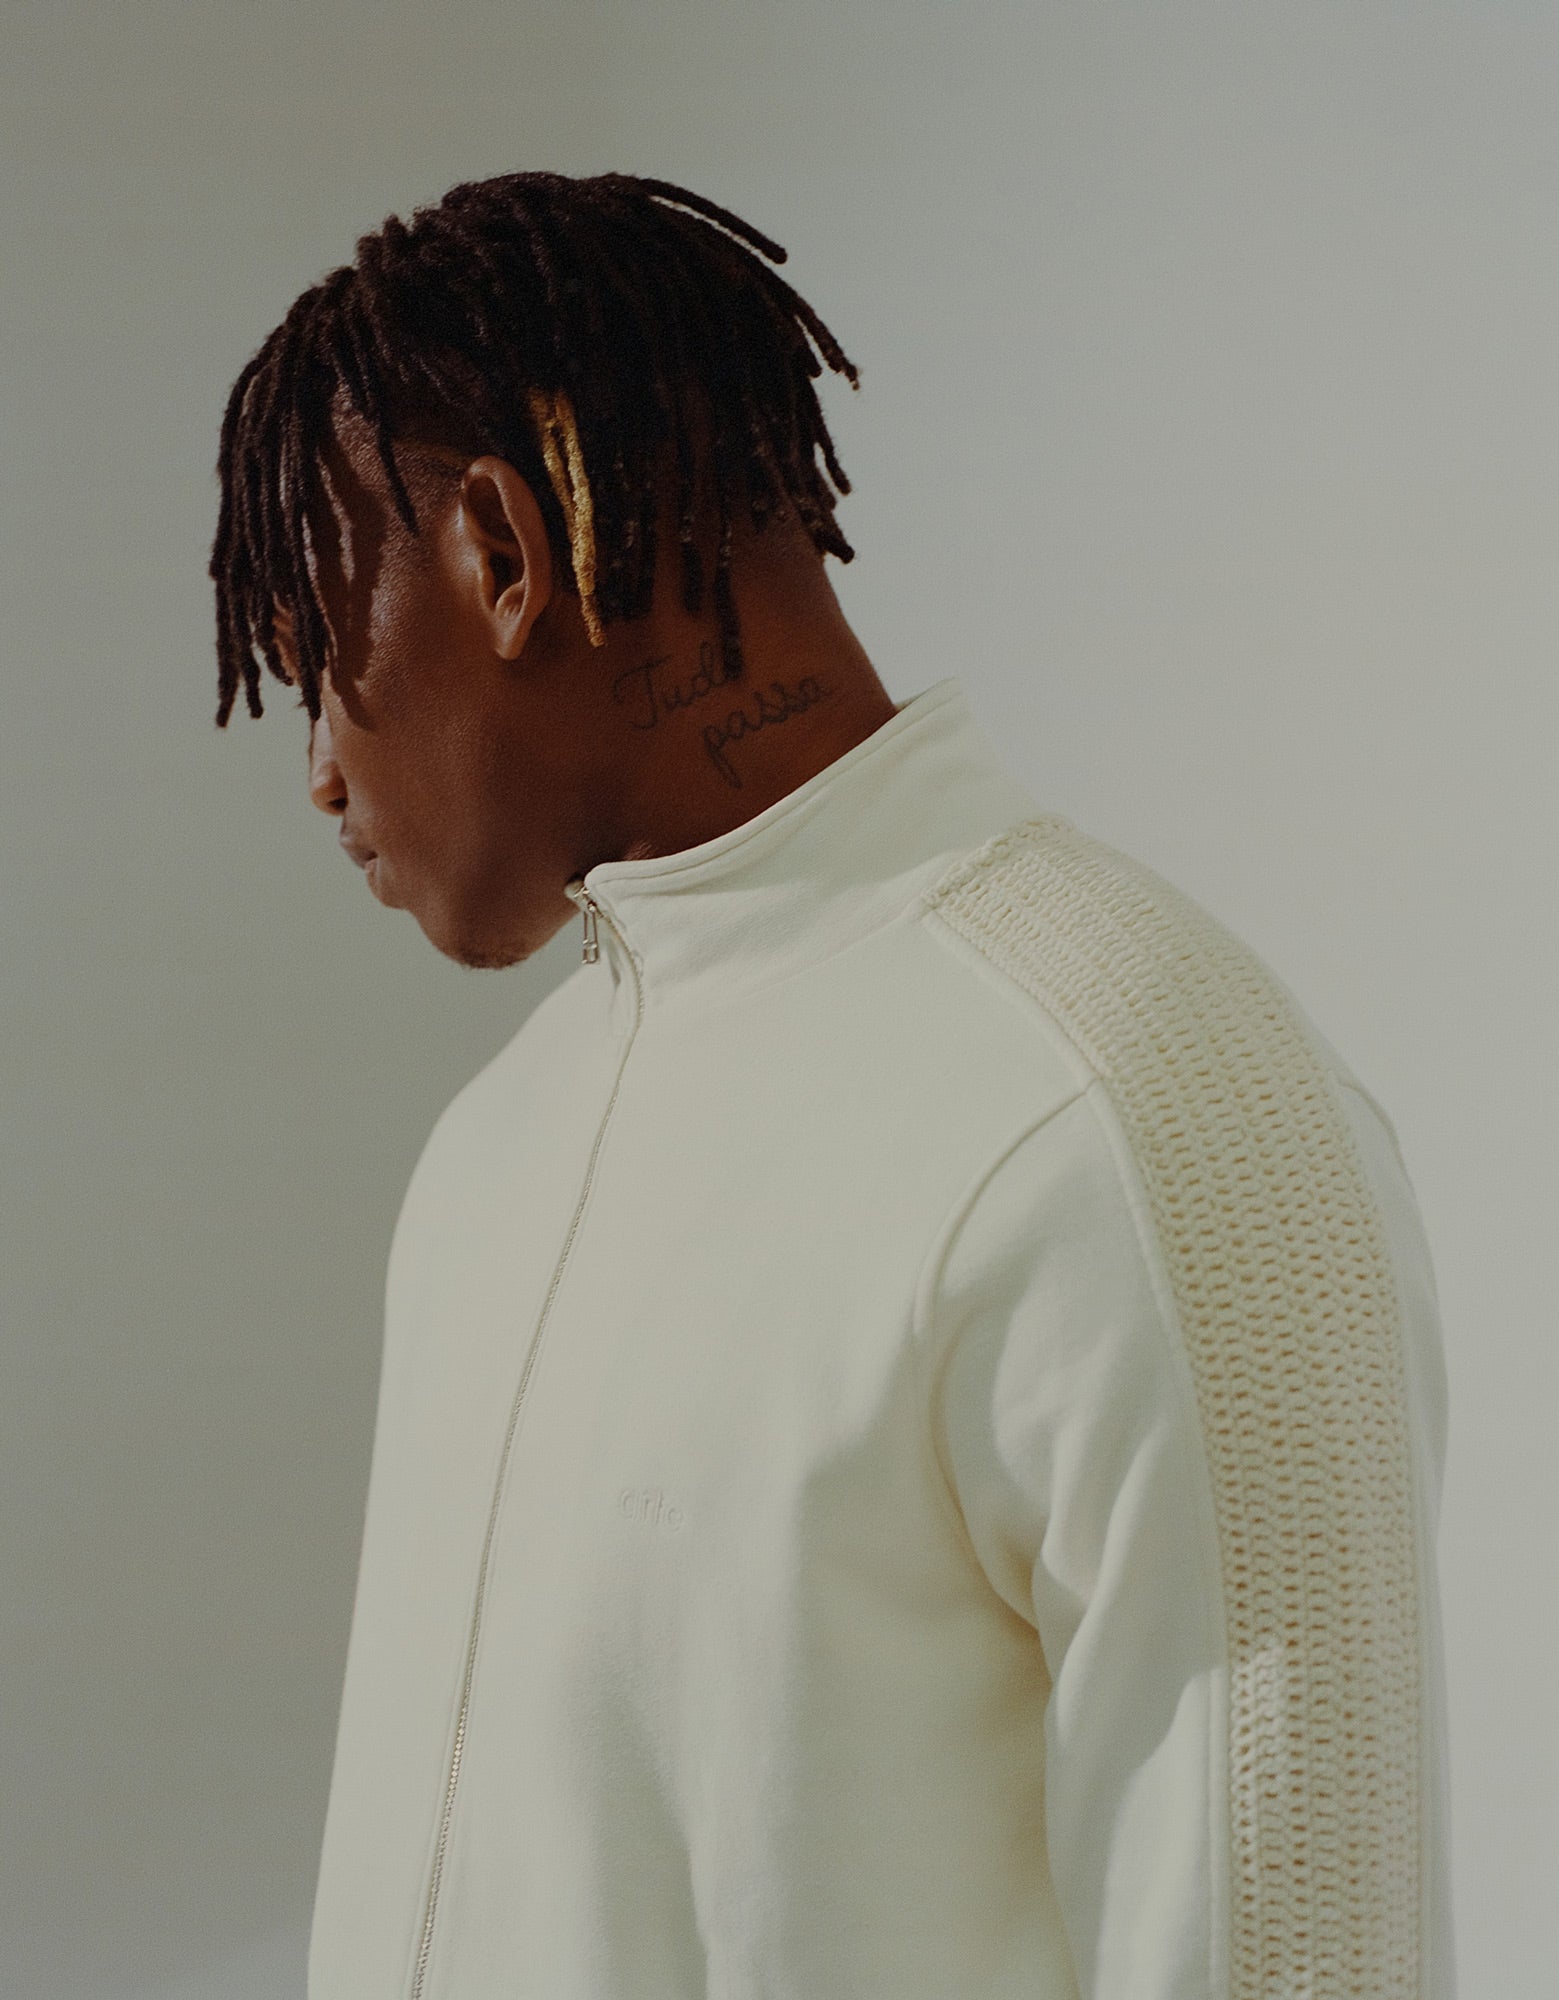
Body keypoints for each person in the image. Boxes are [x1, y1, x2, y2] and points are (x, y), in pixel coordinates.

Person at [211, 171, 1455, 1999]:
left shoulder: (1145, 1107)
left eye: (318, 659)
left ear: (499, 554)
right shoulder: (494, 1152)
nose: (320, 769)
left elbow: (1300, 1958)